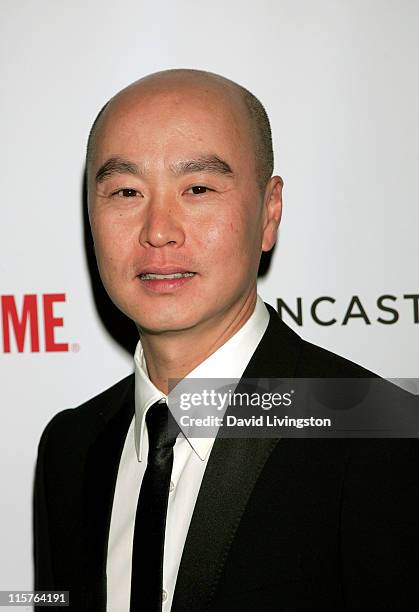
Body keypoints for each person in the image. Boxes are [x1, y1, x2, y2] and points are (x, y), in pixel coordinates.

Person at [34, 69, 417, 611]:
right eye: (125, 191)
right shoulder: (68, 450)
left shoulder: (386, 441)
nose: (158, 229)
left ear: (270, 211)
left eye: (197, 188)